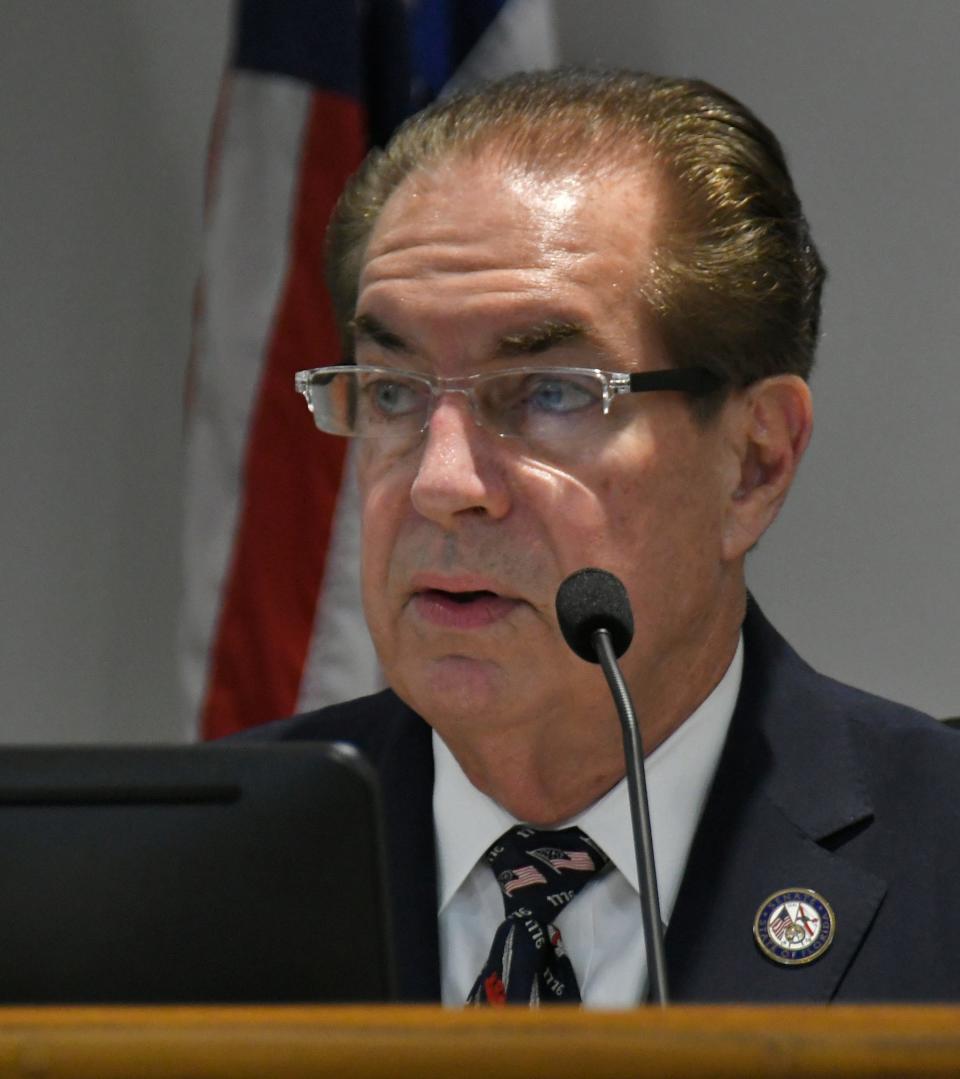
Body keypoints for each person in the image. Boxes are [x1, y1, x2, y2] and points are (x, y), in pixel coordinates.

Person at [242, 69, 960, 1004]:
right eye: (391, 392)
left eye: (550, 394)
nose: (442, 482)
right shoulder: (185, 873)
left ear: (756, 463)